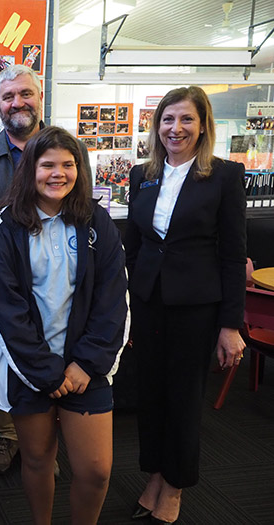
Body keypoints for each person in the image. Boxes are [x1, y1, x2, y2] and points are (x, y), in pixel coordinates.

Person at [0, 126, 128, 524]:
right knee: (37, 461)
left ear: (80, 170)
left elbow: (114, 300)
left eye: (68, 164)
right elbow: (4, 308)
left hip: (86, 368)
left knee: (96, 470)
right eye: (48, 164)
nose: (58, 173)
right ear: (30, 169)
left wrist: (86, 364)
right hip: (29, 370)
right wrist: (46, 373)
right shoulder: (6, 225)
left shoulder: (97, 222)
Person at [0, 64, 91, 475]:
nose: (17, 102)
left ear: (39, 98)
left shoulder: (73, 150)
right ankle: (11, 436)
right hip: (1, 285)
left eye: (25, 94)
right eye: (7, 96)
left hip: (60, 278)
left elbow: (82, 207)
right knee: (4, 357)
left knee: (56, 353)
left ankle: (46, 442)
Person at [125, 86, 246, 524]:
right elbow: (135, 243)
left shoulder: (225, 176)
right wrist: (134, 298)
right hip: (149, 303)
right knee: (151, 394)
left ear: (202, 125)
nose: (176, 128)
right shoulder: (143, 173)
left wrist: (230, 324)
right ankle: (155, 474)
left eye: (186, 120)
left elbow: (234, 256)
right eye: (168, 120)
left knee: (183, 398)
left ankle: (175, 486)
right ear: (156, 126)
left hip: (196, 308)